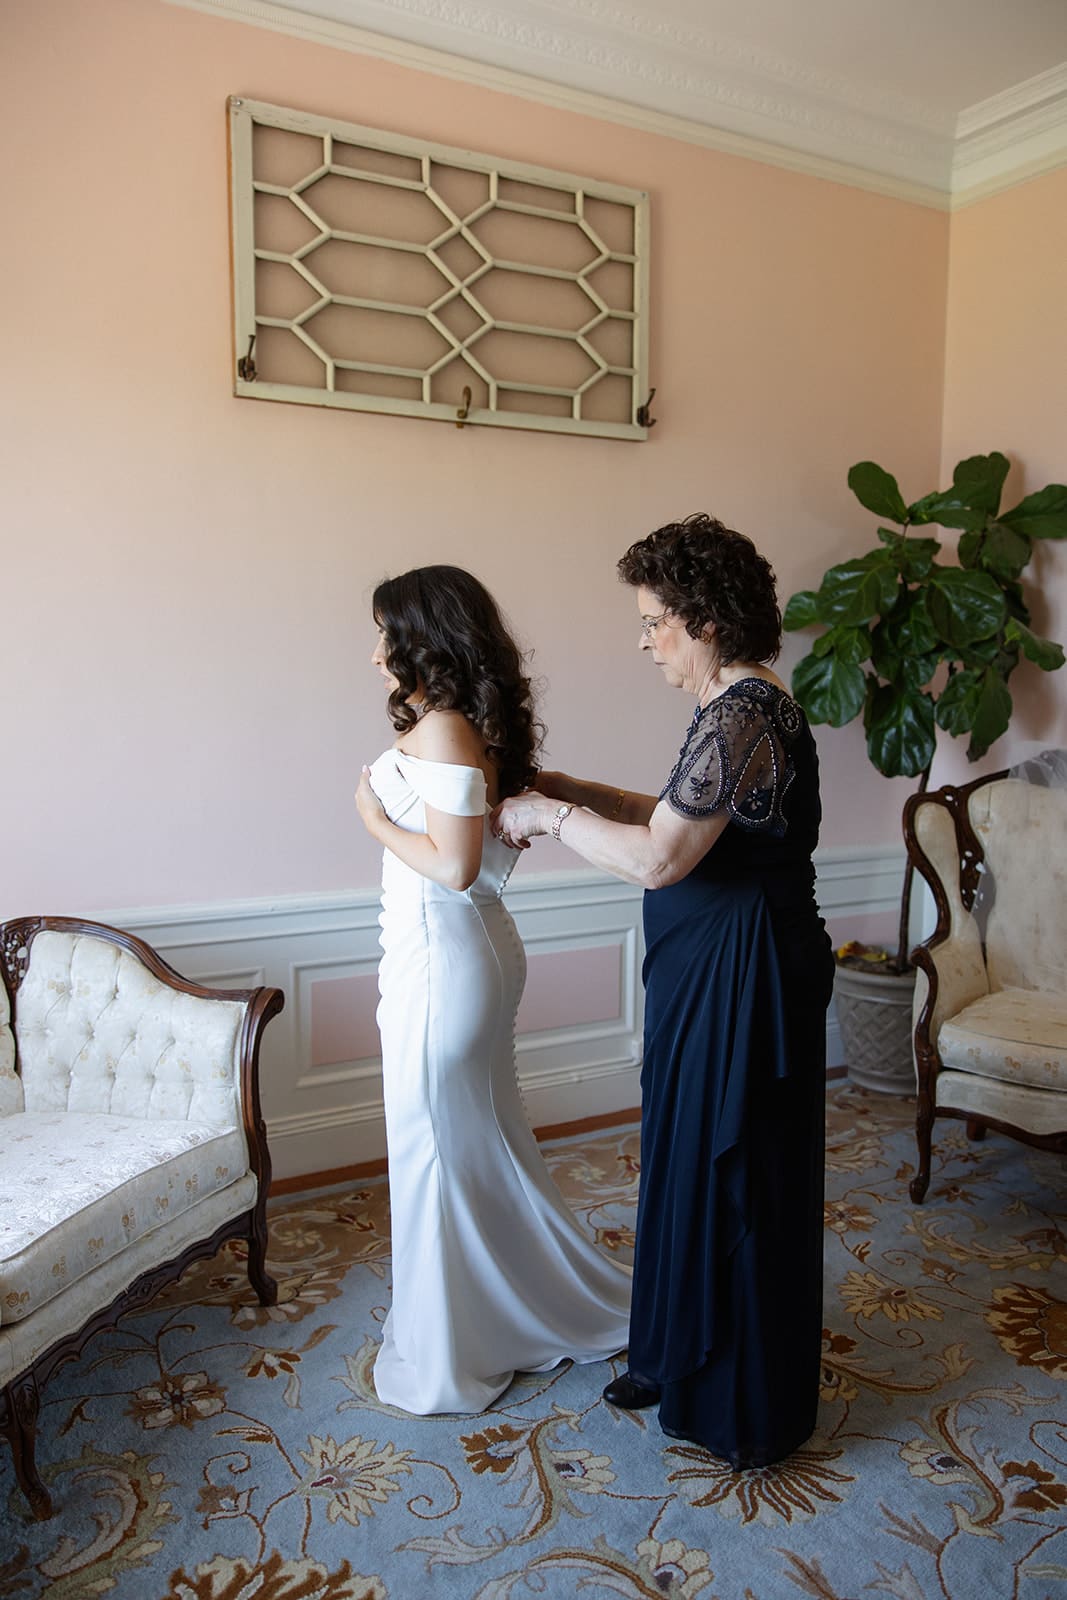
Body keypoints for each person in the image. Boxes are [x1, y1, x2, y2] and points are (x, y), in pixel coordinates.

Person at [492, 514, 834, 1468]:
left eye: (653, 622)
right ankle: (675, 1350)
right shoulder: (740, 705)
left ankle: (738, 1398)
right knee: (686, 1152)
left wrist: (550, 813)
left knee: (738, 1169)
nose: (643, 642)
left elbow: (658, 860)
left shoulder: (741, 715)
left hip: (746, 974)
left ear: (705, 622)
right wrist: (573, 786)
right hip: (716, 966)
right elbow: (678, 814)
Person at [354, 564, 630, 1415]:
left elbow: (455, 865)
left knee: (437, 1144)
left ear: (419, 638)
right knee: (479, 1143)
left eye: (383, 635)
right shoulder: (469, 723)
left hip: (445, 959)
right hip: (459, 951)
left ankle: (452, 1352)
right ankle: (516, 1311)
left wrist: (370, 817)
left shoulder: (441, 727)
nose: (373, 656)